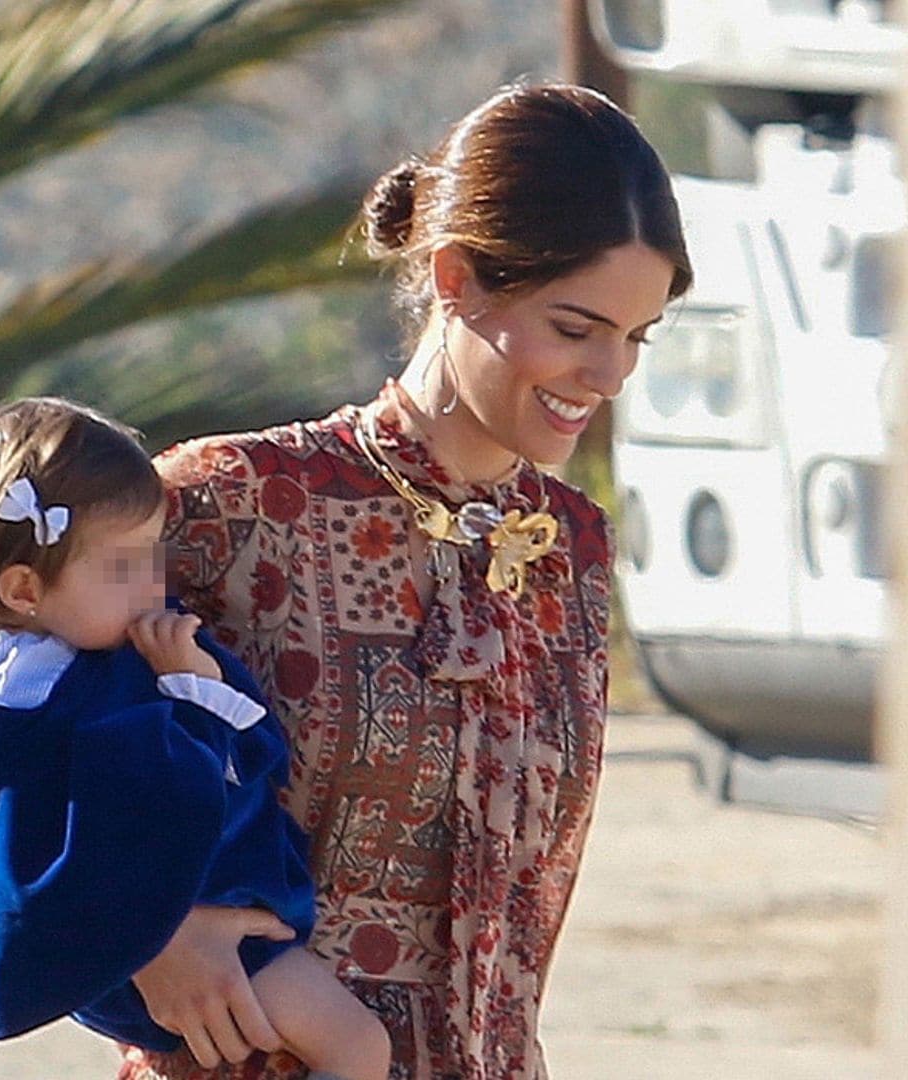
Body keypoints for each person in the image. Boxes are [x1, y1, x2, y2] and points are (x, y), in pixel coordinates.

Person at [117, 82, 693, 1080]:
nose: (609, 374)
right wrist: (151, 939)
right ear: (458, 276)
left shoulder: (575, 549)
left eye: (637, 338)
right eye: (575, 327)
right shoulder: (230, 503)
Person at [0, 398, 390, 1080]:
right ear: (21, 588)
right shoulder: (103, 690)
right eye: (126, 565)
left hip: (80, 960)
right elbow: (224, 774)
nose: (156, 583)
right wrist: (194, 687)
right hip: (186, 946)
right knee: (359, 1048)